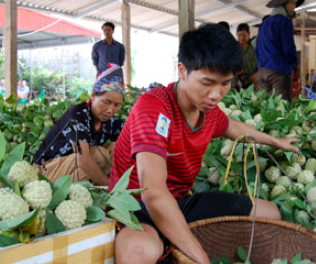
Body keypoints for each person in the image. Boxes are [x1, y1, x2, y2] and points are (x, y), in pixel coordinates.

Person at [108, 24, 299, 264]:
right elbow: (153, 193)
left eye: (225, 83)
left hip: (180, 201)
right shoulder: (154, 109)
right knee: (139, 249)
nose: (216, 94)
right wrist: (200, 255)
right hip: (137, 206)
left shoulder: (209, 113)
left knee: (269, 213)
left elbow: (232, 127)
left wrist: (276, 142)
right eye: (207, 82)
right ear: (183, 70)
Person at [34, 65, 125, 185]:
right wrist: (111, 186)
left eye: (117, 105)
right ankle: (103, 185)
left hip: (73, 170)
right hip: (45, 172)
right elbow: (82, 160)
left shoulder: (110, 121)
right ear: (93, 96)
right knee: (98, 155)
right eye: (106, 102)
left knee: (119, 147)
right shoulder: (77, 116)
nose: (110, 110)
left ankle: (98, 184)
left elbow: (133, 135)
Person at [255, 0, 304, 101]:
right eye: (292, 4)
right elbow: (288, 49)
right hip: (279, 71)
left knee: (264, 106)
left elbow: (257, 49)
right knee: (281, 107)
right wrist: (295, 63)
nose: (294, 7)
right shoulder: (285, 22)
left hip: (262, 71)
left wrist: (261, 64)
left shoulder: (264, 23)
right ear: (283, 5)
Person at [233, 23, 258, 89]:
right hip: (237, 83)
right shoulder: (233, 48)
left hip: (253, 81)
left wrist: (257, 73)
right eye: (239, 35)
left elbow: (261, 62)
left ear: (249, 34)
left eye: (244, 35)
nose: (241, 37)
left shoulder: (254, 46)